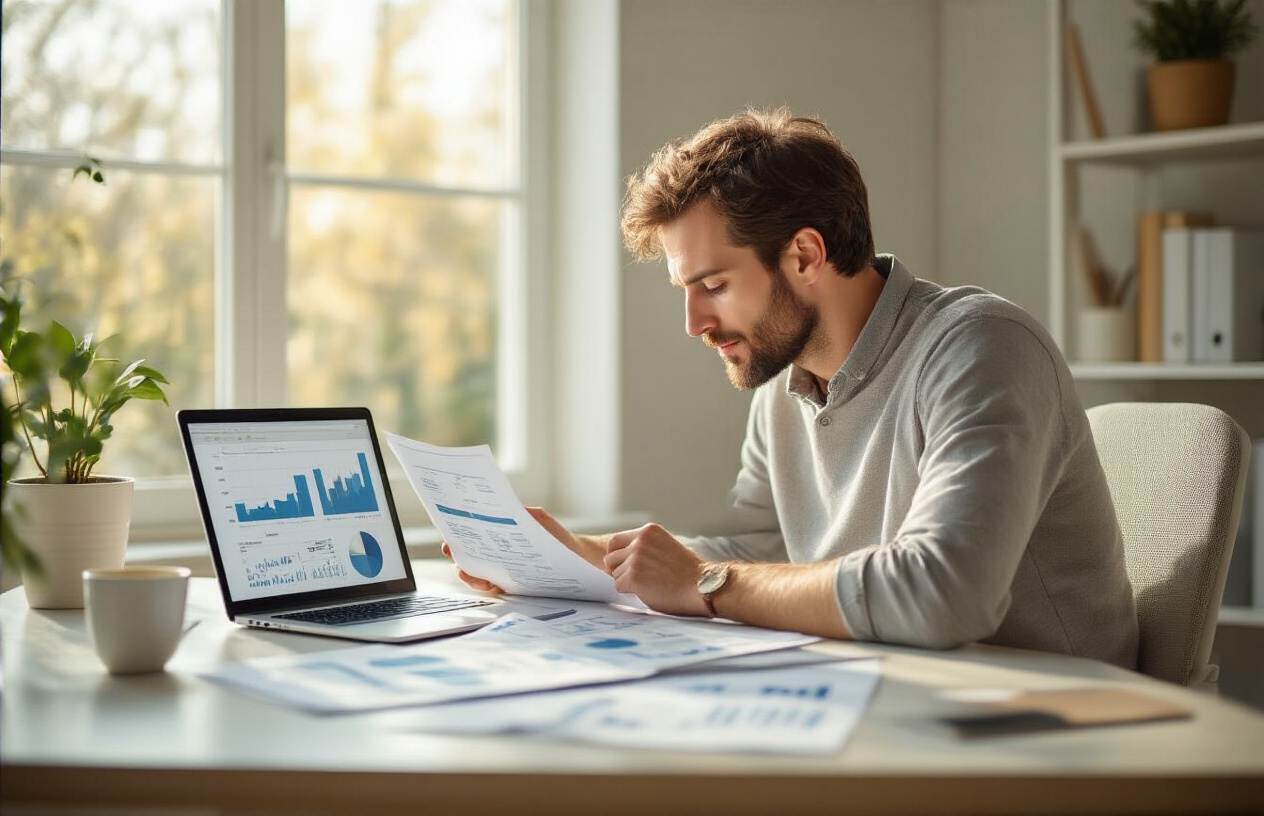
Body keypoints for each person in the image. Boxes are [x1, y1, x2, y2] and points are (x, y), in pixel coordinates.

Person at [447, 108, 1139, 669]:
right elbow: (761, 556)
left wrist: (702, 584)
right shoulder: (784, 385)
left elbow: (943, 595)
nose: (693, 324)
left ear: (805, 254)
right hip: (900, 689)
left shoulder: (982, 348)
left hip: (1047, 724)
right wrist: (580, 554)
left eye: (713, 286)